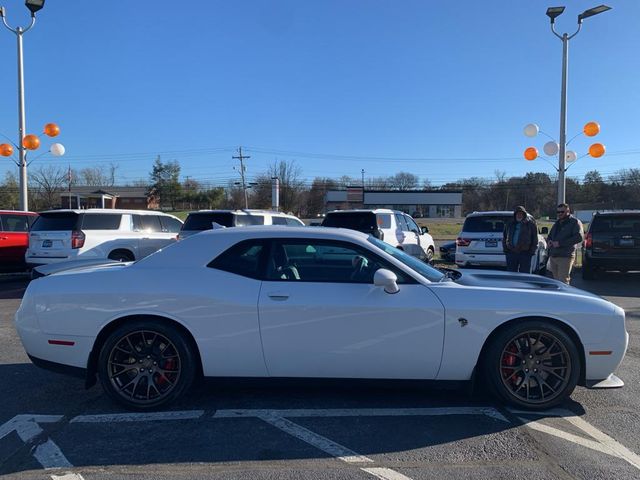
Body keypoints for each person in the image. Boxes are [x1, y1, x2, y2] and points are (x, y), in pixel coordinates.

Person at [547, 203, 584, 284]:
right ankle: (558, 296)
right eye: (558, 212)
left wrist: (560, 243)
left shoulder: (575, 222)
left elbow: (579, 237)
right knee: (556, 282)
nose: (559, 214)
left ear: (568, 211)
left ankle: (564, 296)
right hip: (554, 255)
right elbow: (550, 235)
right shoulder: (557, 223)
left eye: (562, 212)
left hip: (565, 256)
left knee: (563, 281)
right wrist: (549, 241)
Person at [503, 206, 538, 273]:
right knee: (511, 274)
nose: (519, 215)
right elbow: (504, 237)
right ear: (515, 214)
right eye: (517, 213)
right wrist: (506, 251)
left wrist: (531, 252)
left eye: (521, 214)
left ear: (524, 215)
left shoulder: (530, 225)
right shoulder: (509, 224)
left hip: (525, 253)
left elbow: (535, 240)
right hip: (511, 253)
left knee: (525, 275)